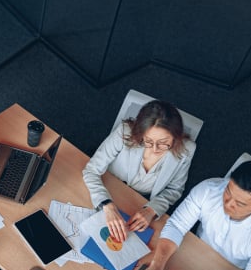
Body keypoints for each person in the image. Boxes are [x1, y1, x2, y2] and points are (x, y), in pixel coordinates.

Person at [83, 100, 196, 242]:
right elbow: (91, 170)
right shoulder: (125, 132)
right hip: (107, 189)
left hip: (139, 204)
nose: (154, 149)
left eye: (163, 143)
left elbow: (175, 189)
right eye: (148, 141)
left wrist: (152, 210)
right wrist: (107, 205)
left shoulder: (187, 150)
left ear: (176, 136)